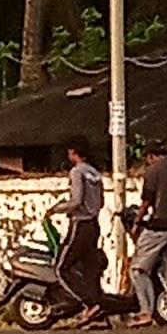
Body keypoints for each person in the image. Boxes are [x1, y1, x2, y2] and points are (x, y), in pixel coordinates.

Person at [129, 142, 167, 327]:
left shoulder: (154, 170)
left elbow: (147, 200)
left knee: (138, 269)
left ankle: (145, 311)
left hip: (159, 226)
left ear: (151, 156)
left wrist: (137, 222)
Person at [53, 138, 107, 324]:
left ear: (74, 153)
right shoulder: (95, 173)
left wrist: (57, 208)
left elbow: (76, 200)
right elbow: (101, 202)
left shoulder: (77, 172)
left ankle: (90, 304)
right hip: (94, 224)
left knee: (62, 268)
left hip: (80, 224)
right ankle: (98, 314)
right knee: (89, 270)